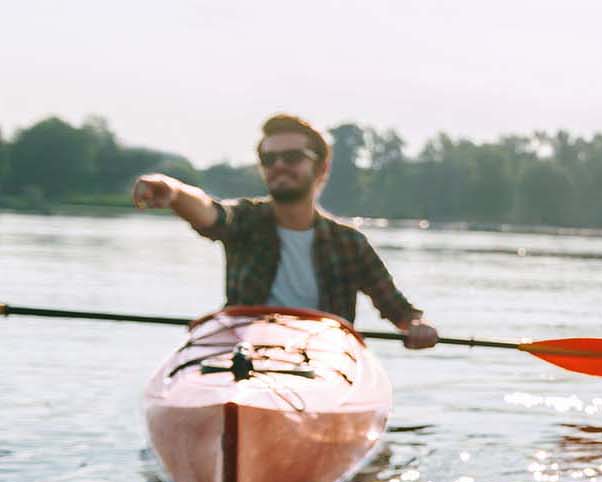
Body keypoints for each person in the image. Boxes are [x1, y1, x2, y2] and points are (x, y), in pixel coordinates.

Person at [130, 113, 439, 348]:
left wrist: (417, 326)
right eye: (269, 159)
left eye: (292, 157)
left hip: (322, 357)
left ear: (321, 168)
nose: (279, 165)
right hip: (245, 351)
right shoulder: (245, 220)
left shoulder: (349, 243)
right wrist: (173, 192)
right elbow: (210, 213)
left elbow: (399, 310)